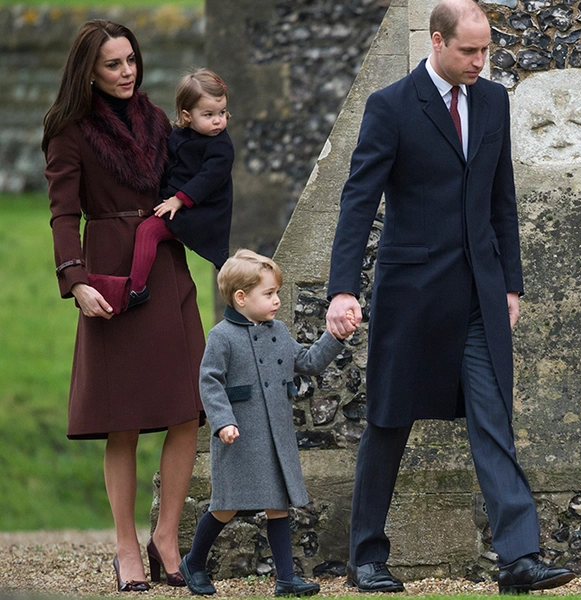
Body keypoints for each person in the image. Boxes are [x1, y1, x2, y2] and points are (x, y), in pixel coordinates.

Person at [325, 0, 575, 594]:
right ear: (436, 42)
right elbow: (358, 203)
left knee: (494, 421)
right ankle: (367, 557)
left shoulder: (493, 101)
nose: (480, 62)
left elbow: (502, 199)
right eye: (469, 50)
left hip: (479, 297)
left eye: (486, 50)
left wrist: (510, 283)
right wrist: (341, 289)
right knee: (388, 420)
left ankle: (518, 557)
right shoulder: (389, 106)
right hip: (410, 295)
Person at [42, 20, 206, 592]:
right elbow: (64, 213)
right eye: (112, 64)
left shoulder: (159, 120)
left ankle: (166, 536)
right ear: (88, 71)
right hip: (111, 275)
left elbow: (196, 175)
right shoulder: (68, 131)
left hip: (166, 266)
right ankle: (124, 548)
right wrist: (76, 279)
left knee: (188, 405)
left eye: (131, 59)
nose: (126, 71)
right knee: (124, 420)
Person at [178, 249, 355, 596]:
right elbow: (209, 382)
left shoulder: (279, 332)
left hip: (276, 437)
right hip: (238, 437)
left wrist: (335, 337)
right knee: (226, 506)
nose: (276, 300)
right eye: (269, 294)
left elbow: (307, 361)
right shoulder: (222, 336)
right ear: (241, 298)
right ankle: (194, 563)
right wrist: (223, 422)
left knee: (278, 506)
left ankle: (286, 579)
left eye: (277, 293)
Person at [123, 68, 235, 309]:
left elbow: (208, 179)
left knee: (148, 232)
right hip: (175, 202)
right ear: (187, 116)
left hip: (199, 211)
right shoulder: (179, 135)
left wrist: (179, 200)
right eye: (209, 114)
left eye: (222, 112)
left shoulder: (221, 146)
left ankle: (135, 289)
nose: (218, 120)